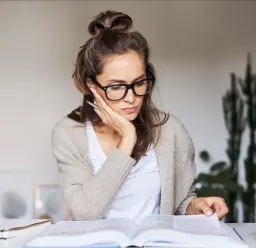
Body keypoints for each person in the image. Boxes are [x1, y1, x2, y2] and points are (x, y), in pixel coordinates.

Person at [52, 10, 228, 222]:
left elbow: (180, 203)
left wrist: (195, 207)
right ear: (92, 86)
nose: (132, 97)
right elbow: (84, 214)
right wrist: (127, 140)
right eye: (116, 86)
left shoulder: (170, 130)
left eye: (139, 83)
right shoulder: (69, 135)